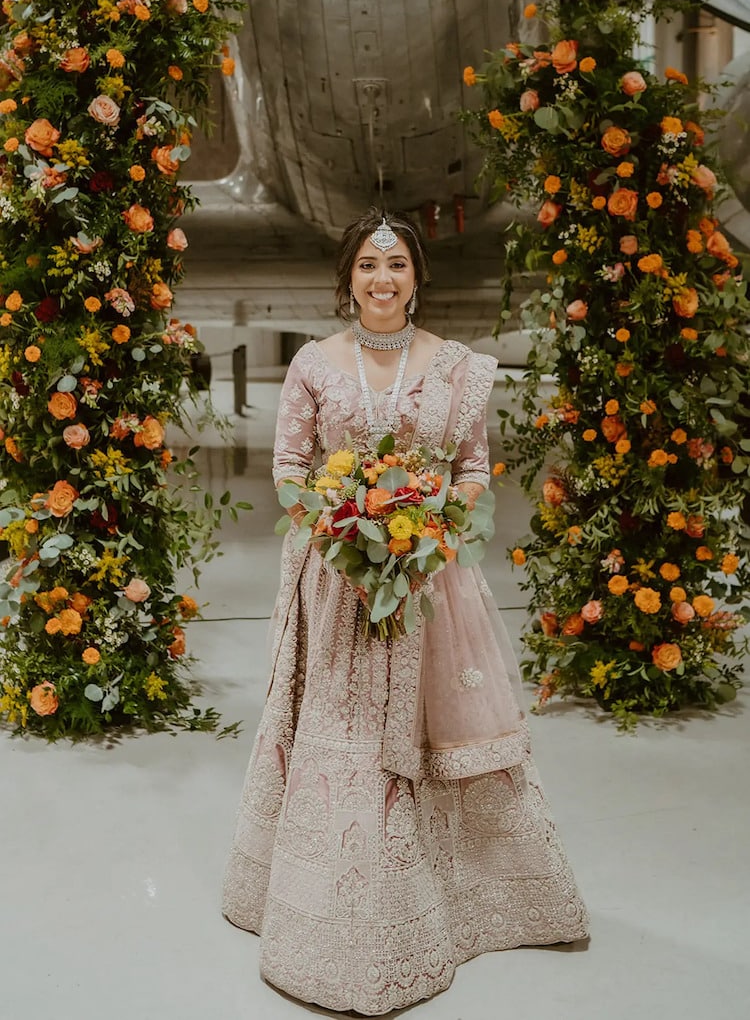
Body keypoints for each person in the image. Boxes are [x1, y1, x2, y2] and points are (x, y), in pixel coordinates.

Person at [222, 208, 589, 1014]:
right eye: (366, 267)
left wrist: (427, 529)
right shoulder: (316, 364)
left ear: (418, 278)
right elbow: (289, 464)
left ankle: (462, 897)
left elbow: (471, 468)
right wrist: (338, 524)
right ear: (348, 278)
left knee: (436, 733)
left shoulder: (456, 369)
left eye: (395, 267)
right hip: (337, 580)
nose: (381, 280)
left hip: (428, 581)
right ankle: (336, 915)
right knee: (346, 740)